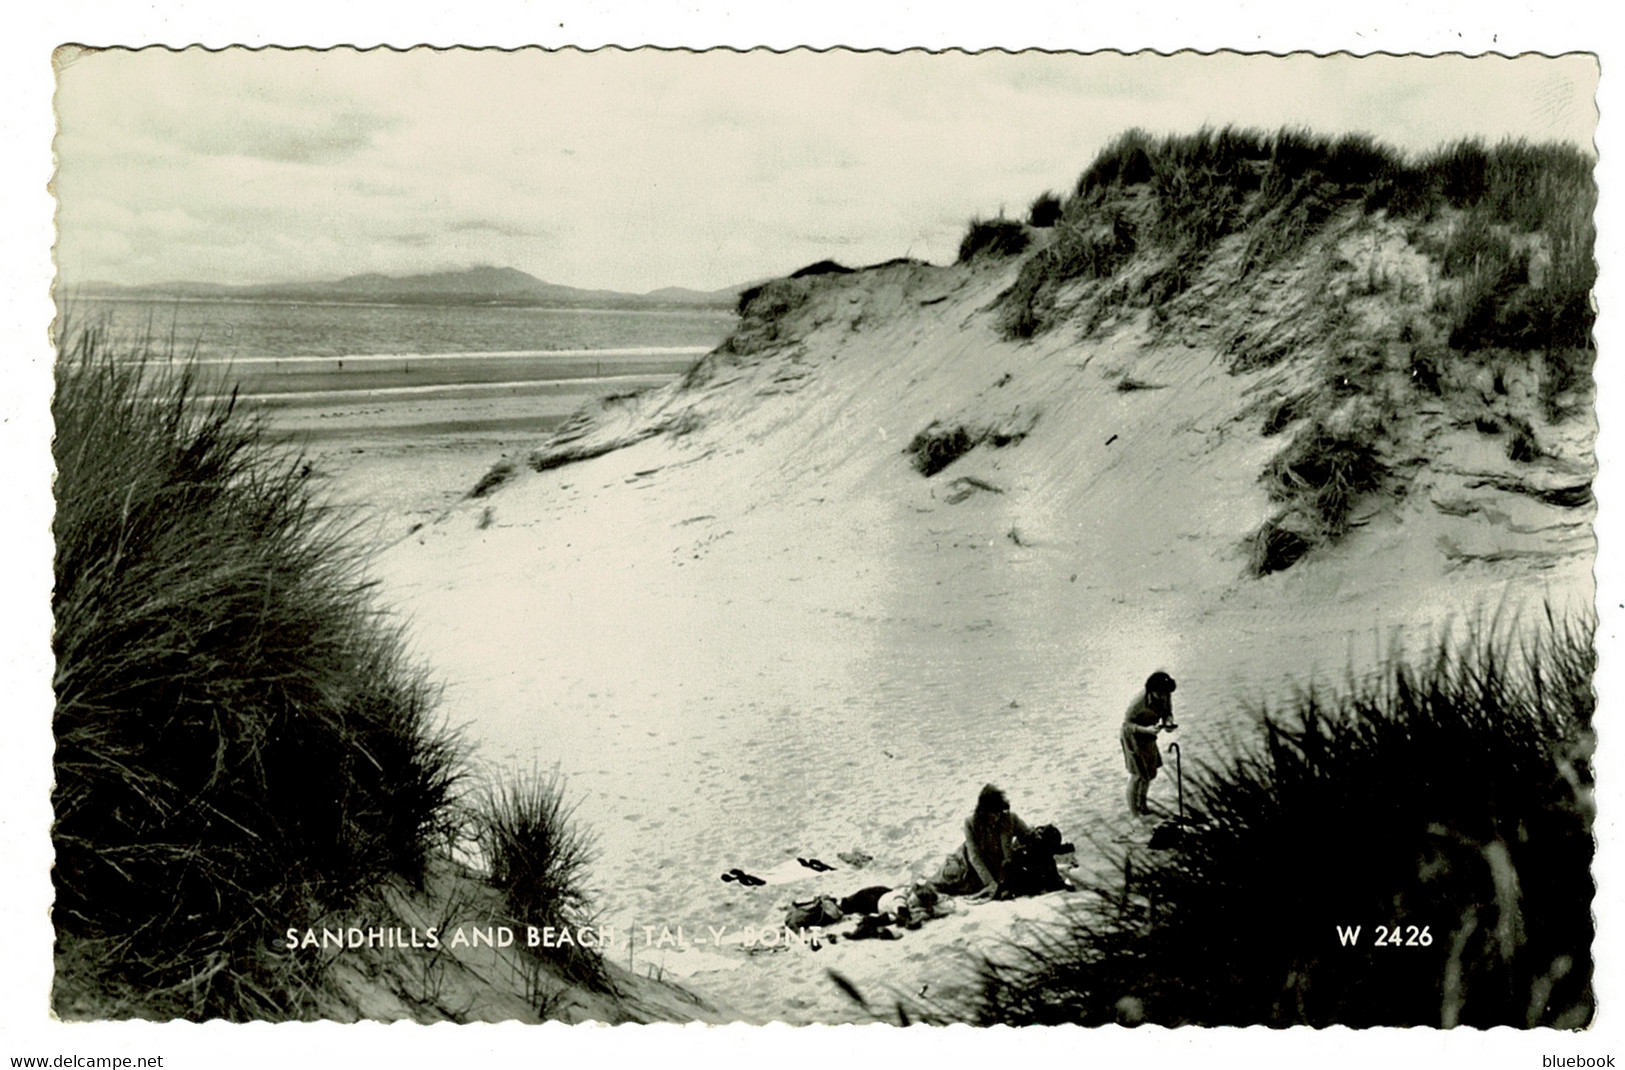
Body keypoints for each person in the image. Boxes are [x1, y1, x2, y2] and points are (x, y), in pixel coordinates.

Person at [935, 784, 1032, 900]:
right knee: (945, 882)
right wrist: (990, 883)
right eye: (992, 813)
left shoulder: (1010, 819)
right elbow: (974, 857)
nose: (996, 817)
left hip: (998, 868)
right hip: (968, 865)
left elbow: (1028, 836)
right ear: (983, 812)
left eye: (998, 813)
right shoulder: (971, 823)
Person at [1122, 670, 1177, 818]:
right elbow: (1127, 725)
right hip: (1133, 737)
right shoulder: (1139, 702)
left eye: (1166, 693)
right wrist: (1145, 730)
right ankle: (1134, 814)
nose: (1163, 697)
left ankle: (1143, 806)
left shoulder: (1166, 694)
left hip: (1149, 736)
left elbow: (1167, 713)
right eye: (1160, 694)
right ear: (1151, 691)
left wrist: (1168, 722)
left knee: (1149, 773)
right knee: (1137, 775)